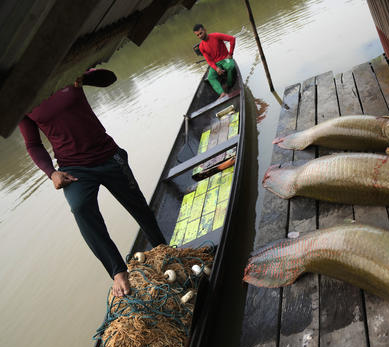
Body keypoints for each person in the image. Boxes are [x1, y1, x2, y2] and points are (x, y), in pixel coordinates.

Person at [18, 68, 166, 297]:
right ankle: (118, 272)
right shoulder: (21, 101)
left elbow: (110, 78)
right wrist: (51, 173)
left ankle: (162, 248)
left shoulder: (63, 69)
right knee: (80, 208)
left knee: (137, 204)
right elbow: (33, 145)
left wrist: (85, 77)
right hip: (73, 169)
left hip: (108, 155)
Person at [193, 23, 236, 99]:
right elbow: (209, 60)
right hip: (216, 63)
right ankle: (222, 93)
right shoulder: (201, 46)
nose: (200, 36)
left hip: (225, 59)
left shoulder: (216, 35)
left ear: (205, 30)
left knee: (231, 66)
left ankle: (229, 85)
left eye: (201, 33)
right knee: (210, 77)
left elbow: (232, 39)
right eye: (198, 35)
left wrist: (230, 53)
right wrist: (216, 68)